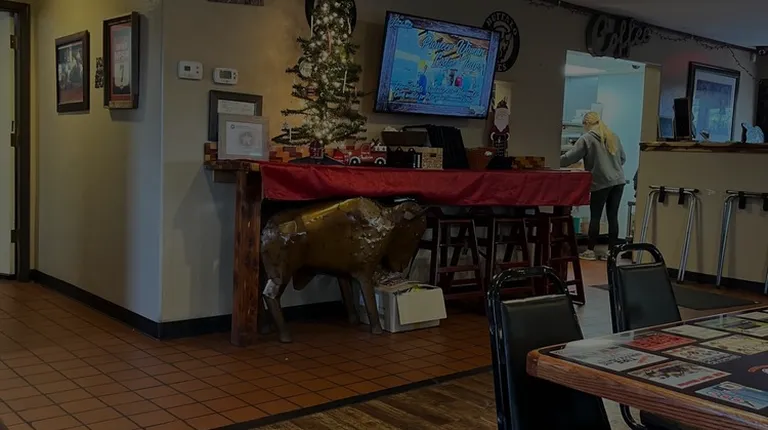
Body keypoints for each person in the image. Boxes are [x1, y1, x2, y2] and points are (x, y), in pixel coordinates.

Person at [561, 111, 626, 260]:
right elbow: (623, 158)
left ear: (586, 124)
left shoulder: (587, 138)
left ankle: (590, 250)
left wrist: (553, 160)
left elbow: (570, 157)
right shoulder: (613, 136)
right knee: (613, 216)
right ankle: (611, 252)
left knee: (595, 216)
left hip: (601, 181)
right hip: (618, 181)